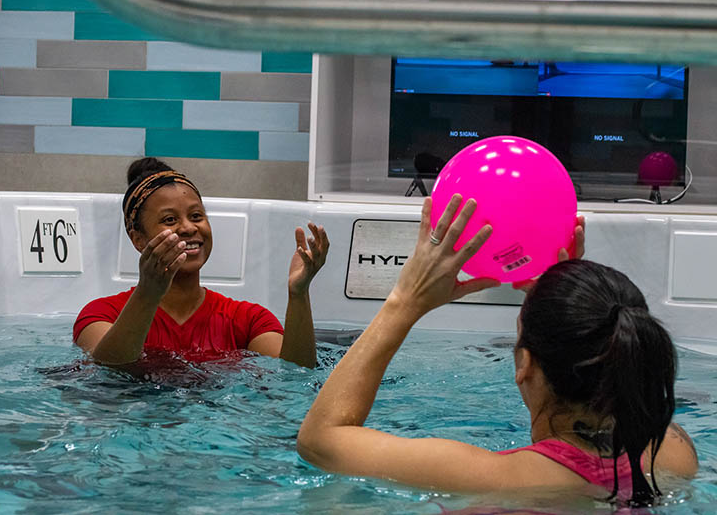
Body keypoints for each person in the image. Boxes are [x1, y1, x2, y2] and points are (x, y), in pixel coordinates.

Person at [297, 194, 698, 506]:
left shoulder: (495, 480)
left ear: (525, 364)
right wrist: (568, 294)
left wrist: (406, 299)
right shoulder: (672, 456)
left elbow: (320, 440)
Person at [74, 157, 329, 368]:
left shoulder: (246, 320)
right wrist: (148, 293)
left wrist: (299, 294)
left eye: (196, 216)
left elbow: (295, 377)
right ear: (138, 240)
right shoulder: (102, 315)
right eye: (170, 220)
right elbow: (108, 371)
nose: (188, 227)